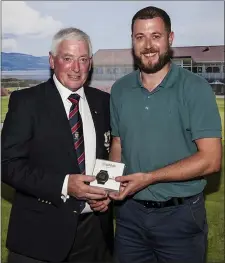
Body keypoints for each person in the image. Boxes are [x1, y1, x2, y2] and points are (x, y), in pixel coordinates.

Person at [91, 6, 223, 263]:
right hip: (130, 217)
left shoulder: (195, 89)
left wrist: (149, 178)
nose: (148, 45)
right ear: (132, 41)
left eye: (156, 36)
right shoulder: (120, 89)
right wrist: (106, 187)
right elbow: (117, 144)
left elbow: (211, 159)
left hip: (180, 217)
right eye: (140, 37)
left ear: (170, 39)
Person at [1, 27, 114, 263]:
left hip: (93, 236)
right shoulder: (26, 102)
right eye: (68, 59)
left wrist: (107, 193)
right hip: (39, 238)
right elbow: (7, 165)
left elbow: (107, 155)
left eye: (83, 59)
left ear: (90, 63)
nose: (76, 68)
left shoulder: (103, 102)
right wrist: (64, 184)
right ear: (52, 61)